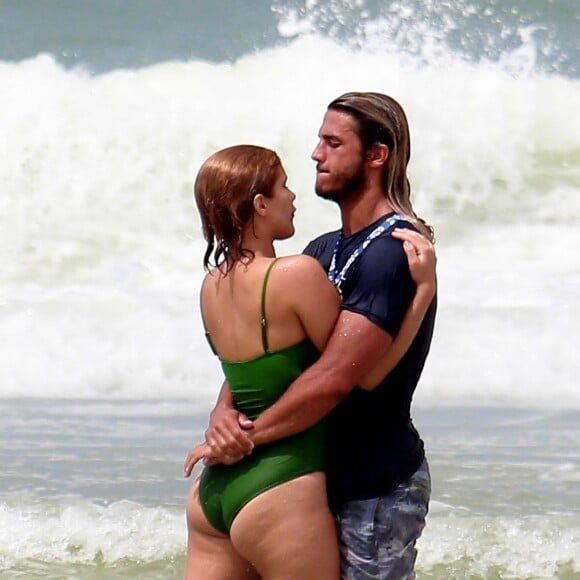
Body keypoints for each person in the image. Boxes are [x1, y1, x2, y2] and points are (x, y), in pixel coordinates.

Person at [203, 92, 438, 579]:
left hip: (373, 485)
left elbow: (342, 376)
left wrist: (247, 439)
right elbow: (269, 359)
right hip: (309, 475)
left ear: (376, 156)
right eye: (319, 141)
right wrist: (224, 412)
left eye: (333, 143)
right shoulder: (321, 250)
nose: (316, 154)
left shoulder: (394, 250)